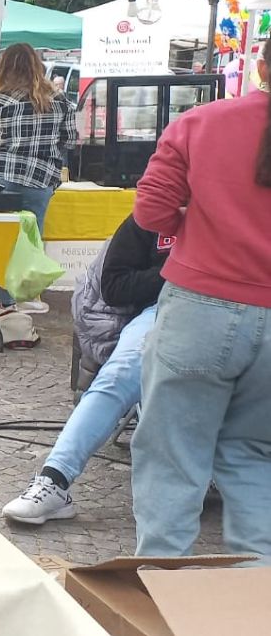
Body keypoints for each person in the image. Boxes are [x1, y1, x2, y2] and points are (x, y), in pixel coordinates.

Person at [129, 65, 271, 562]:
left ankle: (164, 585)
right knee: (255, 456)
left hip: (200, 306)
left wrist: (197, 224)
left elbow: (151, 211)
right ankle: (259, 587)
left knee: (172, 455)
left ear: (262, 65)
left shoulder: (201, 122)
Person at [2, 214, 170, 524]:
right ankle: (55, 479)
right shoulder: (154, 214)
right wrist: (176, 271)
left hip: (241, 311)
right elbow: (114, 286)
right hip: (164, 308)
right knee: (121, 373)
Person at [0, 42, 78, 337]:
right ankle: (28, 294)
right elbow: (70, 140)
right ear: (38, 65)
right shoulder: (60, 100)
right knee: (31, 241)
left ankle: (7, 301)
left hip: (1, 180)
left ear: (4, 67)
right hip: (41, 181)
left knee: (3, 242)